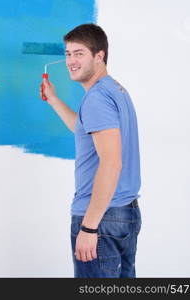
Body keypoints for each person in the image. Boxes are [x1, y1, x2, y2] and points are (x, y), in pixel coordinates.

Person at [41, 24, 142, 278]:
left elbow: (111, 163)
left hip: (100, 218)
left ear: (100, 56)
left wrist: (89, 227)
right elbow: (83, 129)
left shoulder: (97, 98)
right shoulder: (113, 90)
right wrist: (54, 100)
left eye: (79, 53)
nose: (71, 61)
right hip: (123, 212)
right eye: (67, 54)